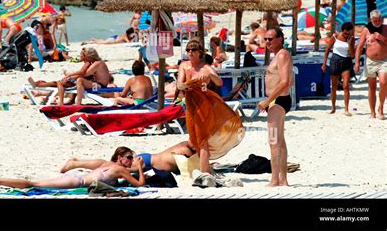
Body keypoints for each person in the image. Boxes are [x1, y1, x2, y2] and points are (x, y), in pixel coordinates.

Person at [176, 40, 244, 175]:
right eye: (188, 50)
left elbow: (219, 81)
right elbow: (179, 84)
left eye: (193, 50)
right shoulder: (184, 65)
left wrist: (209, 75)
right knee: (194, 137)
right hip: (190, 104)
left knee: (202, 138)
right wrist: (184, 85)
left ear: (200, 53)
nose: (190, 52)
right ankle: (206, 168)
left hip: (204, 104)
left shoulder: (205, 67)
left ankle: (204, 171)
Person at [0, 147, 146, 190]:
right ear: (120, 158)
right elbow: (139, 184)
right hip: (76, 181)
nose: (131, 161)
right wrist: (139, 168)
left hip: (76, 176)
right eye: (129, 158)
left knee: (35, 182)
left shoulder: (109, 164)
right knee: (32, 184)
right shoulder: (121, 170)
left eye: (133, 158)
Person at [257, 27, 293, 187]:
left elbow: (285, 81)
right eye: (265, 39)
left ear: (280, 39)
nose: (267, 42)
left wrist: (267, 101)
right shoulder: (277, 56)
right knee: (280, 140)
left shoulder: (282, 54)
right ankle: (283, 179)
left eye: (270, 39)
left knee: (273, 140)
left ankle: (274, 180)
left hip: (277, 101)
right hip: (277, 100)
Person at [61, 141, 197, 174]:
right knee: (112, 165)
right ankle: (75, 164)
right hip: (146, 162)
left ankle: (77, 162)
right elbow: (197, 169)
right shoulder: (186, 151)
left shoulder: (183, 145)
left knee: (112, 164)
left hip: (148, 159)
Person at [354, 10, 387, 120]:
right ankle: (372, 112)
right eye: (375, 20)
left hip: (383, 60)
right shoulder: (366, 30)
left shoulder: (385, 28)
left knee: (383, 82)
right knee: (372, 87)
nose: (377, 22)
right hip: (370, 61)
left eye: (379, 20)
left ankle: (381, 108)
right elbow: (359, 47)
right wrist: (357, 62)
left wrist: (381, 38)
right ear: (370, 20)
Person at [321, 22, 355, 116]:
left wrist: (349, 43)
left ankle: (346, 109)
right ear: (342, 31)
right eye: (345, 33)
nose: (346, 35)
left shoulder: (351, 39)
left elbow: (352, 55)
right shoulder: (335, 36)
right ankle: (333, 107)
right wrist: (324, 63)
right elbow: (328, 50)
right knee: (334, 86)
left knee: (345, 86)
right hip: (335, 60)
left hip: (346, 61)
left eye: (348, 33)